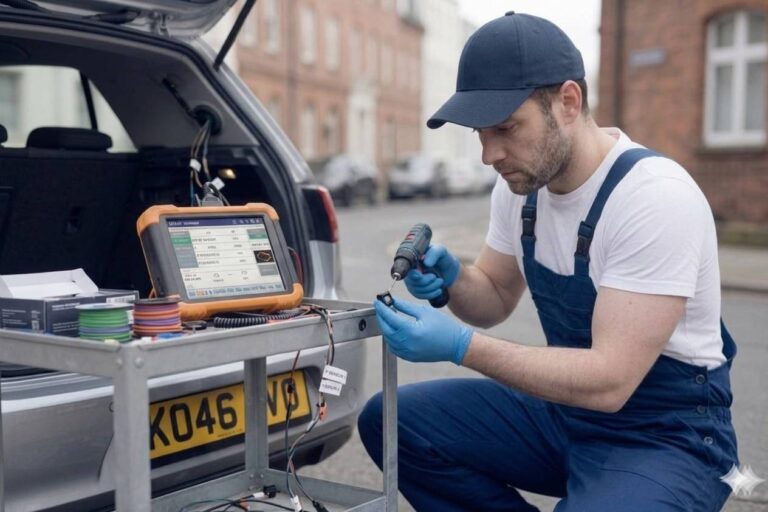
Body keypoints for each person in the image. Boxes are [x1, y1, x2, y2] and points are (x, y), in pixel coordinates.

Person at [358, 12, 739, 512]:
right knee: (389, 420)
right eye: (480, 132)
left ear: (568, 102)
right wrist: (454, 281)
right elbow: (493, 297)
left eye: (506, 128)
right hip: (566, 412)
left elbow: (610, 381)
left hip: (666, 435)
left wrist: (460, 346)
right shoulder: (521, 188)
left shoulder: (653, 197)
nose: (489, 154)